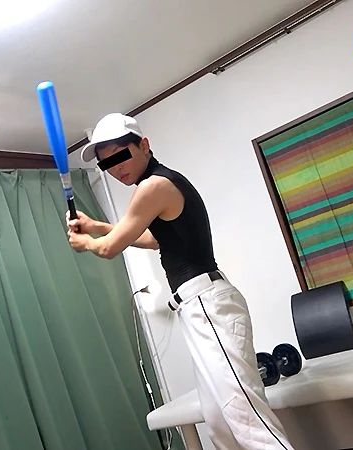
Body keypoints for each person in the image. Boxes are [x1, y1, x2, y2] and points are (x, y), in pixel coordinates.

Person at [65, 112, 296, 450]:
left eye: (119, 155)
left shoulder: (153, 186)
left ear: (144, 145)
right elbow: (155, 239)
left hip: (207, 305)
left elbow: (109, 248)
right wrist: (98, 228)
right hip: (201, 305)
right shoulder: (163, 183)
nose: (115, 168)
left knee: (248, 421)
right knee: (220, 425)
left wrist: (86, 242)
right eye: (106, 163)